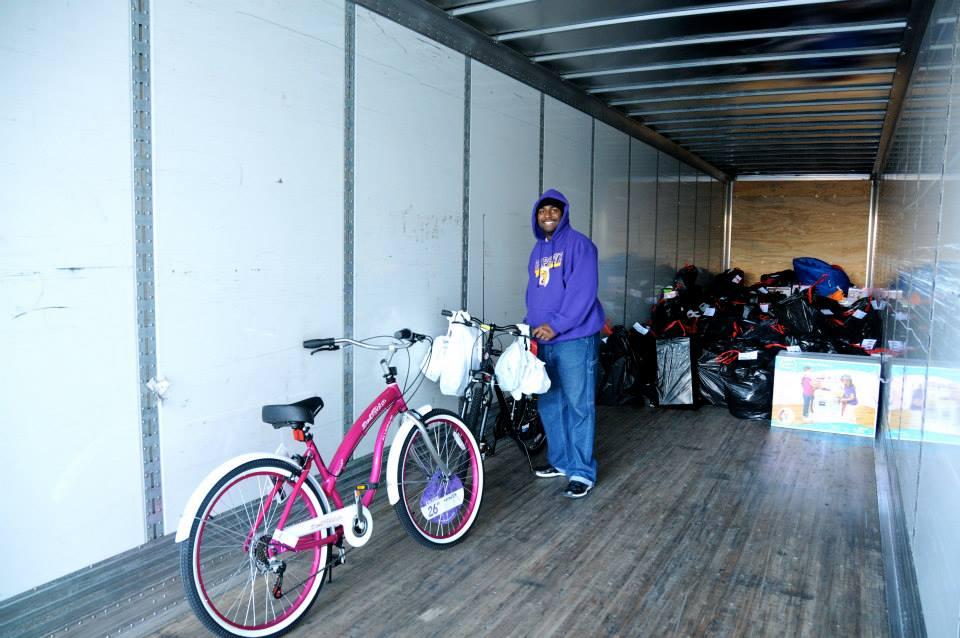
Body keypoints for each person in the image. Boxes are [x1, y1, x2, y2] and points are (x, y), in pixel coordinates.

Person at [524, 189, 605, 499]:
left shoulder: (580, 245)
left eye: (553, 210)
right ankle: (560, 461)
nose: (547, 215)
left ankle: (582, 471)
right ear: (536, 216)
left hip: (574, 339)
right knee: (550, 403)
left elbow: (582, 293)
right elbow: (535, 292)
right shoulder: (538, 250)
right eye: (542, 210)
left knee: (578, 405)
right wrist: (528, 324)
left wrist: (556, 325)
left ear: (564, 214)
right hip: (543, 339)